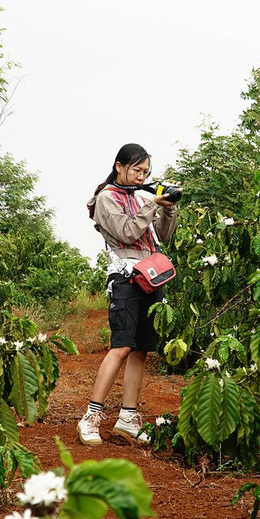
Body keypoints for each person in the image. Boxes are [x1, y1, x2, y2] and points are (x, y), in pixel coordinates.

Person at [78, 143, 179, 445]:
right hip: (125, 278)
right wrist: (152, 205)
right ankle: (91, 417)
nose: (141, 176)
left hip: (152, 276)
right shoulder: (105, 198)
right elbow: (126, 233)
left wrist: (169, 207)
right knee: (121, 346)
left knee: (140, 350)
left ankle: (127, 418)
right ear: (119, 166)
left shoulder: (142, 198)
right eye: (137, 170)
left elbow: (164, 236)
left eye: (145, 172)